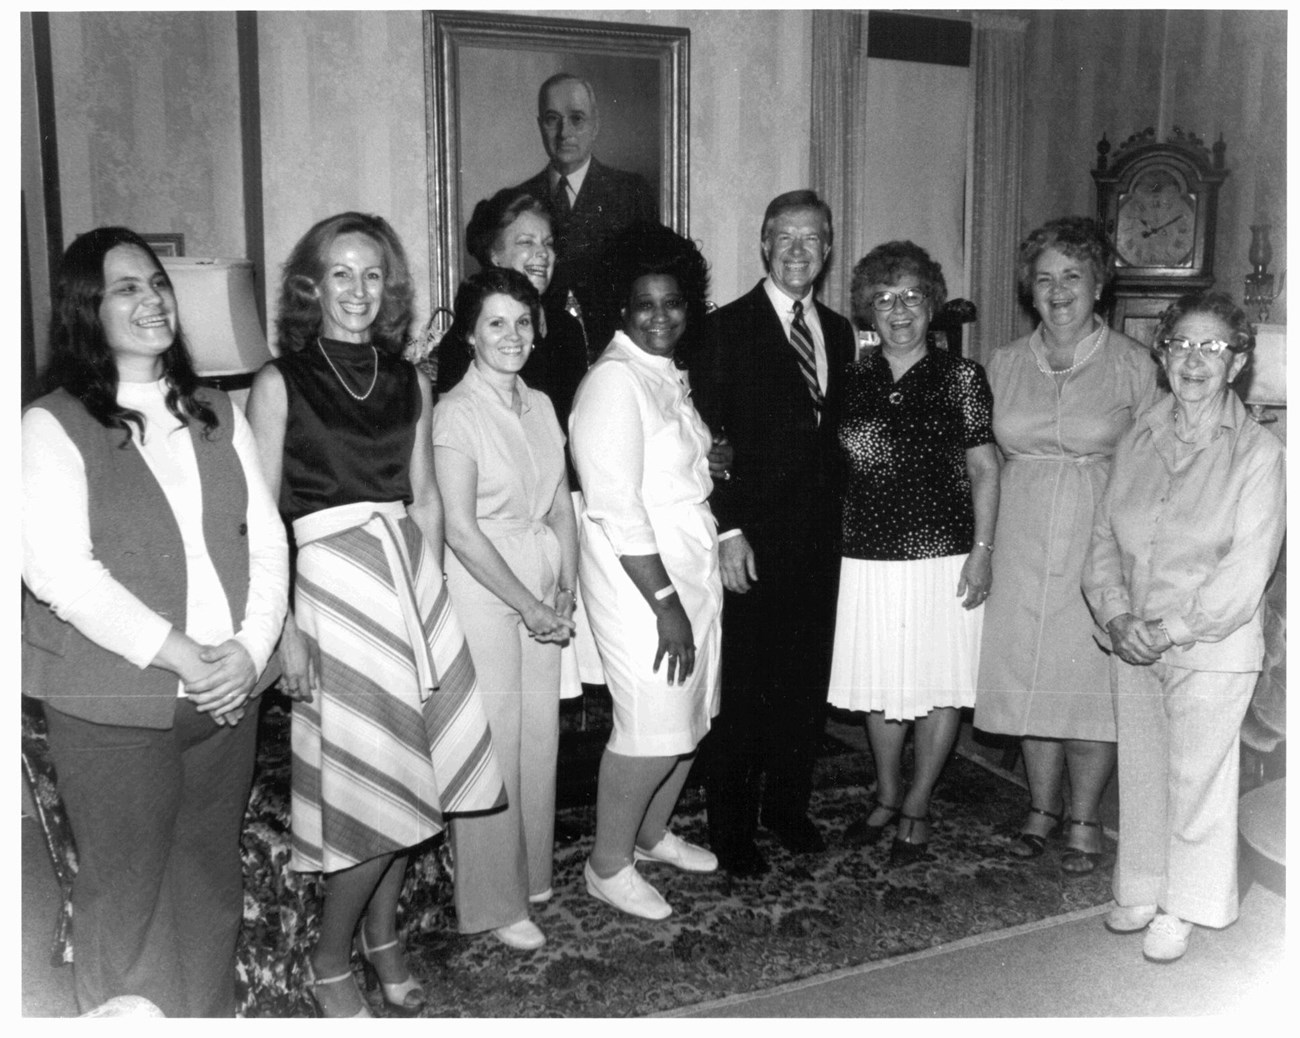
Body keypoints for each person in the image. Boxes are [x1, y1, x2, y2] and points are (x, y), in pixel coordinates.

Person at [21, 227, 288, 1016]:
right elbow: (62, 576)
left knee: (209, 889)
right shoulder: (49, 424)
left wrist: (249, 648)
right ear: (85, 310)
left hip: (224, 698)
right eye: (127, 288)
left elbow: (267, 538)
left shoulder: (213, 409)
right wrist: (184, 656)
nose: (153, 299)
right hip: (115, 706)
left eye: (157, 284)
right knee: (126, 903)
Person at [247, 212, 505, 1017]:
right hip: (327, 590)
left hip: (406, 588)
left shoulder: (411, 379)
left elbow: (424, 500)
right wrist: (283, 626)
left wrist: (428, 609)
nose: (358, 291)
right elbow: (256, 515)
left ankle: (383, 937)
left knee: (411, 779)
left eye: (372, 276)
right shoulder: (278, 380)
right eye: (340, 274)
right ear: (310, 286)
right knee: (371, 789)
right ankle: (331, 960)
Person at [1083, 291, 1284, 963]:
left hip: (1210, 643)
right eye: (1181, 346)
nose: (1194, 361)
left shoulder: (1259, 453)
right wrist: (1115, 613)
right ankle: (1140, 885)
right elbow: (1103, 538)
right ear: (1162, 355)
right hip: (1132, 635)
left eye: (1213, 348)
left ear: (1238, 363)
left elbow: (1244, 573)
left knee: (1197, 777)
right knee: (1143, 770)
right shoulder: (1137, 437)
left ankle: (1187, 904)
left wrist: (1165, 628)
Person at [973, 217, 1160, 874]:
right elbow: (979, 458)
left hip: (1097, 534)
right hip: (1019, 534)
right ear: (1030, 290)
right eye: (1045, 279)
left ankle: (1083, 817)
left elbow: (1157, 463)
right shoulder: (1000, 363)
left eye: (1072, 277)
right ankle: (1039, 807)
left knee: (1085, 681)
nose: (1058, 292)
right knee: (1030, 678)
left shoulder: (1133, 365)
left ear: (1099, 285)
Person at [689, 190, 856, 876]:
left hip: (819, 542)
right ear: (763, 244)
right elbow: (705, 440)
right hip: (749, 541)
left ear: (826, 249)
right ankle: (731, 828)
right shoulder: (723, 328)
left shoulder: (841, 332)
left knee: (803, 685)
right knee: (747, 688)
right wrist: (727, 530)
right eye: (783, 238)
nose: (797, 251)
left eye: (811, 239)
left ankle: (787, 809)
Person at [826, 241, 1000, 867]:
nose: (899, 311)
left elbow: (985, 468)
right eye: (883, 299)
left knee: (937, 684)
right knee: (879, 684)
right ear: (867, 310)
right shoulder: (848, 378)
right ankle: (887, 792)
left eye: (912, 297)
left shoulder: (960, 377)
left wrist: (982, 552)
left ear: (932, 305)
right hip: (866, 557)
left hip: (942, 557)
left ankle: (919, 803)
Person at [569, 221, 722, 920]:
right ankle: (608, 863)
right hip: (642, 582)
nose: (661, 317)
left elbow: (670, 464)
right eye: (645, 306)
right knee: (650, 724)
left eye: (673, 303)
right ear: (621, 310)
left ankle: (653, 833)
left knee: (690, 716)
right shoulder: (612, 382)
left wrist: (706, 460)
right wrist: (665, 604)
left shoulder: (663, 373)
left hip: (690, 564)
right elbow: (617, 506)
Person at [432, 267, 579, 950]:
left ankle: (532, 878)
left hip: (542, 589)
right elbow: (460, 530)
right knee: (496, 741)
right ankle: (492, 902)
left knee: (538, 738)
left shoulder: (544, 404)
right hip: (485, 591)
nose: (512, 336)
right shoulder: (456, 413)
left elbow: (558, 503)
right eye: (496, 323)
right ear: (469, 332)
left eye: (523, 322)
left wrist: (566, 583)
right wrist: (526, 603)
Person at [435, 187, 589, 457]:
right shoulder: (466, 338)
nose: (542, 253)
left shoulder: (566, 329)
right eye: (526, 242)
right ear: (495, 255)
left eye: (548, 243)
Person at [512, 72, 658, 352]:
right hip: (540, 354)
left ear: (595, 125)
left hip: (612, 353)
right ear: (540, 125)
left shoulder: (632, 192)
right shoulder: (519, 200)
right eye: (553, 119)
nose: (564, 132)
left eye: (577, 118)